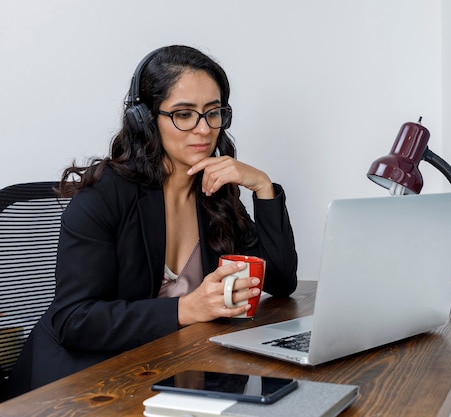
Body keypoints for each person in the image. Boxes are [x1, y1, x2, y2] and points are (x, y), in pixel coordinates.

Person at [6, 45, 298, 398]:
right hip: (81, 384)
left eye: (213, 112)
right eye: (183, 114)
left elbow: (281, 280)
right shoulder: (104, 196)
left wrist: (263, 187)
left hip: (164, 366)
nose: (204, 130)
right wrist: (187, 308)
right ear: (144, 119)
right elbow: (74, 320)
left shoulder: (215, 192)